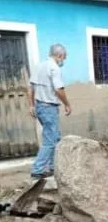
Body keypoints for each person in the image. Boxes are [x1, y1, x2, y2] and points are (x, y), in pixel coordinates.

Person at [29, 44, 71, 179]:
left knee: (55, 137)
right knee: (50, 140)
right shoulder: (54, 68)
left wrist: (31, 105)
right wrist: (67, 104)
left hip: (40, 107)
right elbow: (59, 89)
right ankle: (37, 169)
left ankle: (53, 167)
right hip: (49, 108)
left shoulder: (39, 66)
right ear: (59, 55)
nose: (63, 61)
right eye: (63, 58)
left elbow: (30, 87)